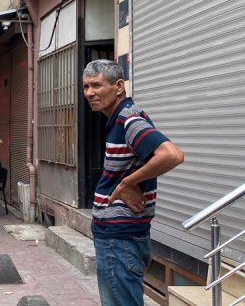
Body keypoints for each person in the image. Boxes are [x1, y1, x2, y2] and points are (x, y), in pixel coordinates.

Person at [82, 59, 184, 306]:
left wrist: (127, 183)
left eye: (96, 85)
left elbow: (171, 155)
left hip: (120, 240)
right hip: (118, 237)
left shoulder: (128, 119)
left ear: (118, 86)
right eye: (85, 87)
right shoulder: (118, 119)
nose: (89, 93)